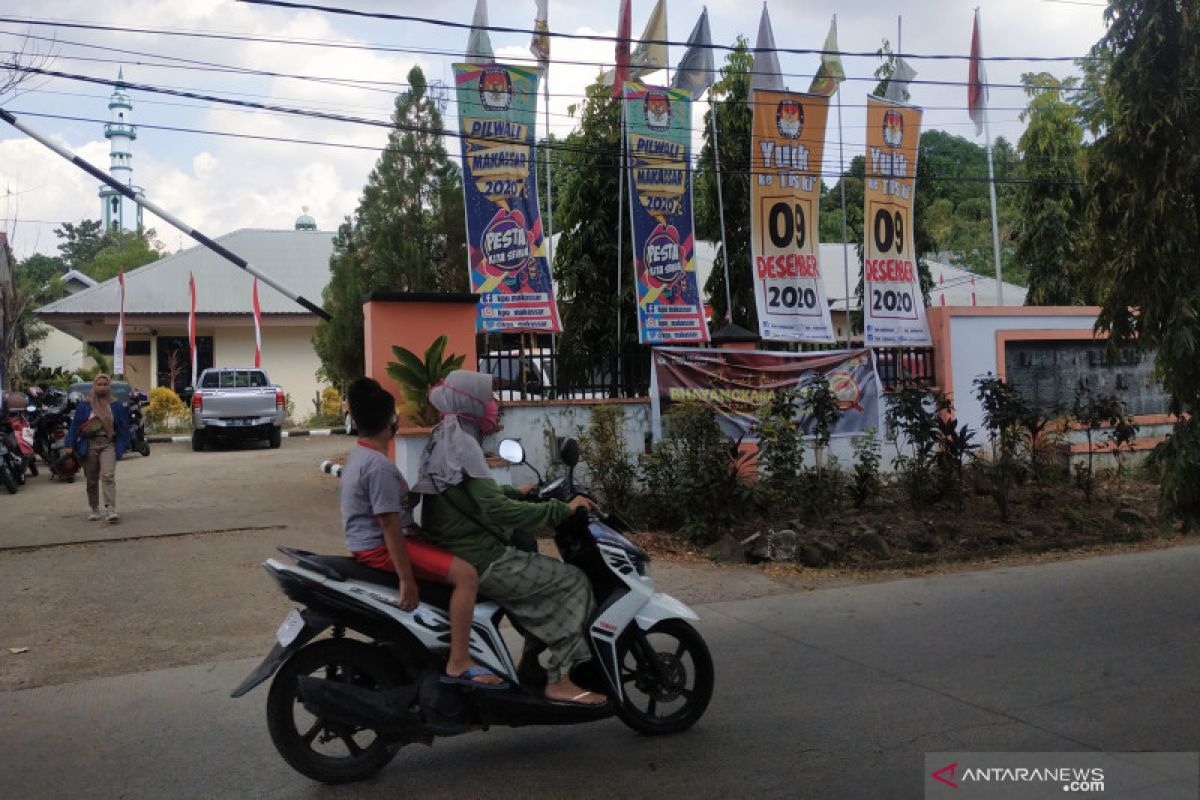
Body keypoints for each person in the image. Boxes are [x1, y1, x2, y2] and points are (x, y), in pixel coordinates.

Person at [413, 370, 606, 707]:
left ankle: (531, 666)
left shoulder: (448, 434)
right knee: (573, 581)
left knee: (537, 577)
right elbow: (498, 510)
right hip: (479, 555)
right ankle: (559, 679)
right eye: (488, 399)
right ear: (470, 403)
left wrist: (515, 491)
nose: (494, 405)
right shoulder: (463, 443)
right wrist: (560, 510)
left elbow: (472, 492)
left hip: (457, 546)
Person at [341, 377, 505, 689]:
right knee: (467, 575)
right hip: (381, 548)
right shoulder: (379, 467)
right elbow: (390, 527)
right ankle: (459, 661)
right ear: (392, 421)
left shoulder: (361, 457)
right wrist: (407, 580)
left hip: (370, 543)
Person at [64, 374, 130, 523]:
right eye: (99, 384)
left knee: (108, 476)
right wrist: (69, 444)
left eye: (105, 384)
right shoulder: (85, 405)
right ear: (94, 386)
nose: (102, 387)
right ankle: (94, 508)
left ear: (109, 386)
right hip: (89, 445)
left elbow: (123, 426)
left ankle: (110, 509)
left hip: (108, 444)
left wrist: (125, 444)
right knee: (92, 479)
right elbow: (75, 426)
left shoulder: (115, 405)